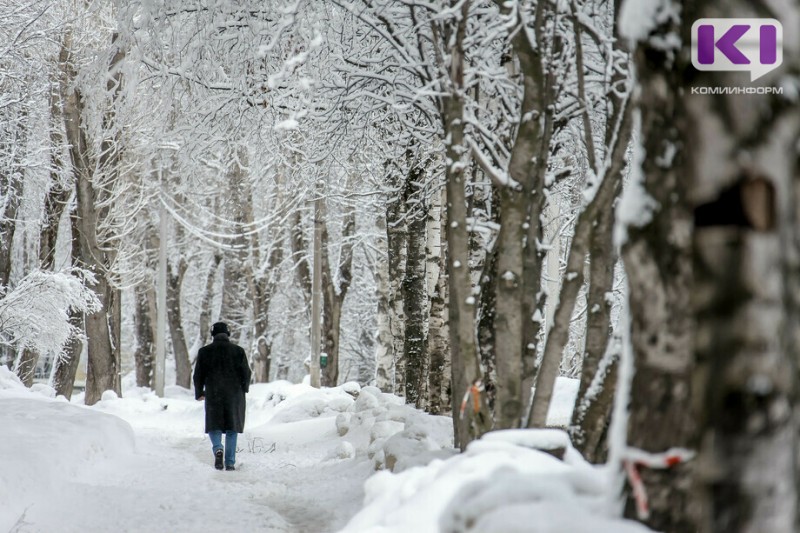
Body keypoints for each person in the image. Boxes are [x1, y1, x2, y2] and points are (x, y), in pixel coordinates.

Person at [193, 321, 251, 471]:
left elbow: (198, 375)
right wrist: (244, 388)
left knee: (214, 425)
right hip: (234, 394)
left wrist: (199, 392)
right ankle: (230, 462)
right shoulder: (238, 351)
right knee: (232, 428)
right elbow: (246, 372)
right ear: (228, 334)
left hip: (214, 394)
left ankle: (218, 448)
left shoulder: (204, 352)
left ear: (213, 335)